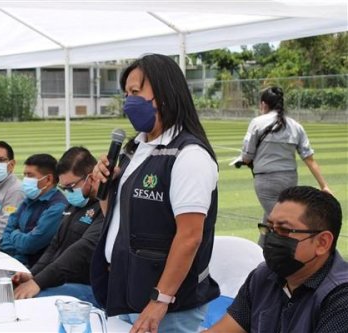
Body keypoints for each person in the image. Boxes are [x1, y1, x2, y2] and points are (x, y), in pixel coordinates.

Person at [90, 54, 220, 333]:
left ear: (163, 93)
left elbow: (189, 237)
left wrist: (160, 300)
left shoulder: (189, 155)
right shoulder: (134, 149)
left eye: (136, 92)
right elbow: (120, 220)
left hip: (166, 307)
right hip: (127, 292)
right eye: (126, 94)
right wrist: (105, 190)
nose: (129, 101)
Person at [205, 186, 347, 333]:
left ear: (322, 243)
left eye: (284, 230)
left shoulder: (341, 297)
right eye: (270, 228)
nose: (272, 238)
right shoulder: (263, 277)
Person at [237, 86, 332, 245]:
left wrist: (243, 161)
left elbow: (246, 156)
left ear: (264, 104)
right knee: (271, 217)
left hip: (265, 181)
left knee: (277, 222)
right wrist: (324, 186)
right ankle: (261, 254)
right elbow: (309, 159)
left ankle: (291, 255)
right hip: (289, 180)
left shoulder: (257, 123)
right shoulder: (296, 126)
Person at [12, 146, 103, 306]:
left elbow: (81, 251)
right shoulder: (73, 205)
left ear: (91, 177)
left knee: (29, 300)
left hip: (90, 288)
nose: (67, 192)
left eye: (71, 186)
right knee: (14, 291)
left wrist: (38, 282)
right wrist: (32, 275)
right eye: (63, 187)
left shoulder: (104, 208)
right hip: (61, 281)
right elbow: (54, 247)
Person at [0, 153, 67, 267]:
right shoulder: (29, 200)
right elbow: (6, 233)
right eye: (25, 175)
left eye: (30, 175)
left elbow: (30, 244)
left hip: (37, 270)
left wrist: (14, 234)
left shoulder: (57, 207)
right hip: (17, 263)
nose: (25, 179)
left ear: (48, 179)